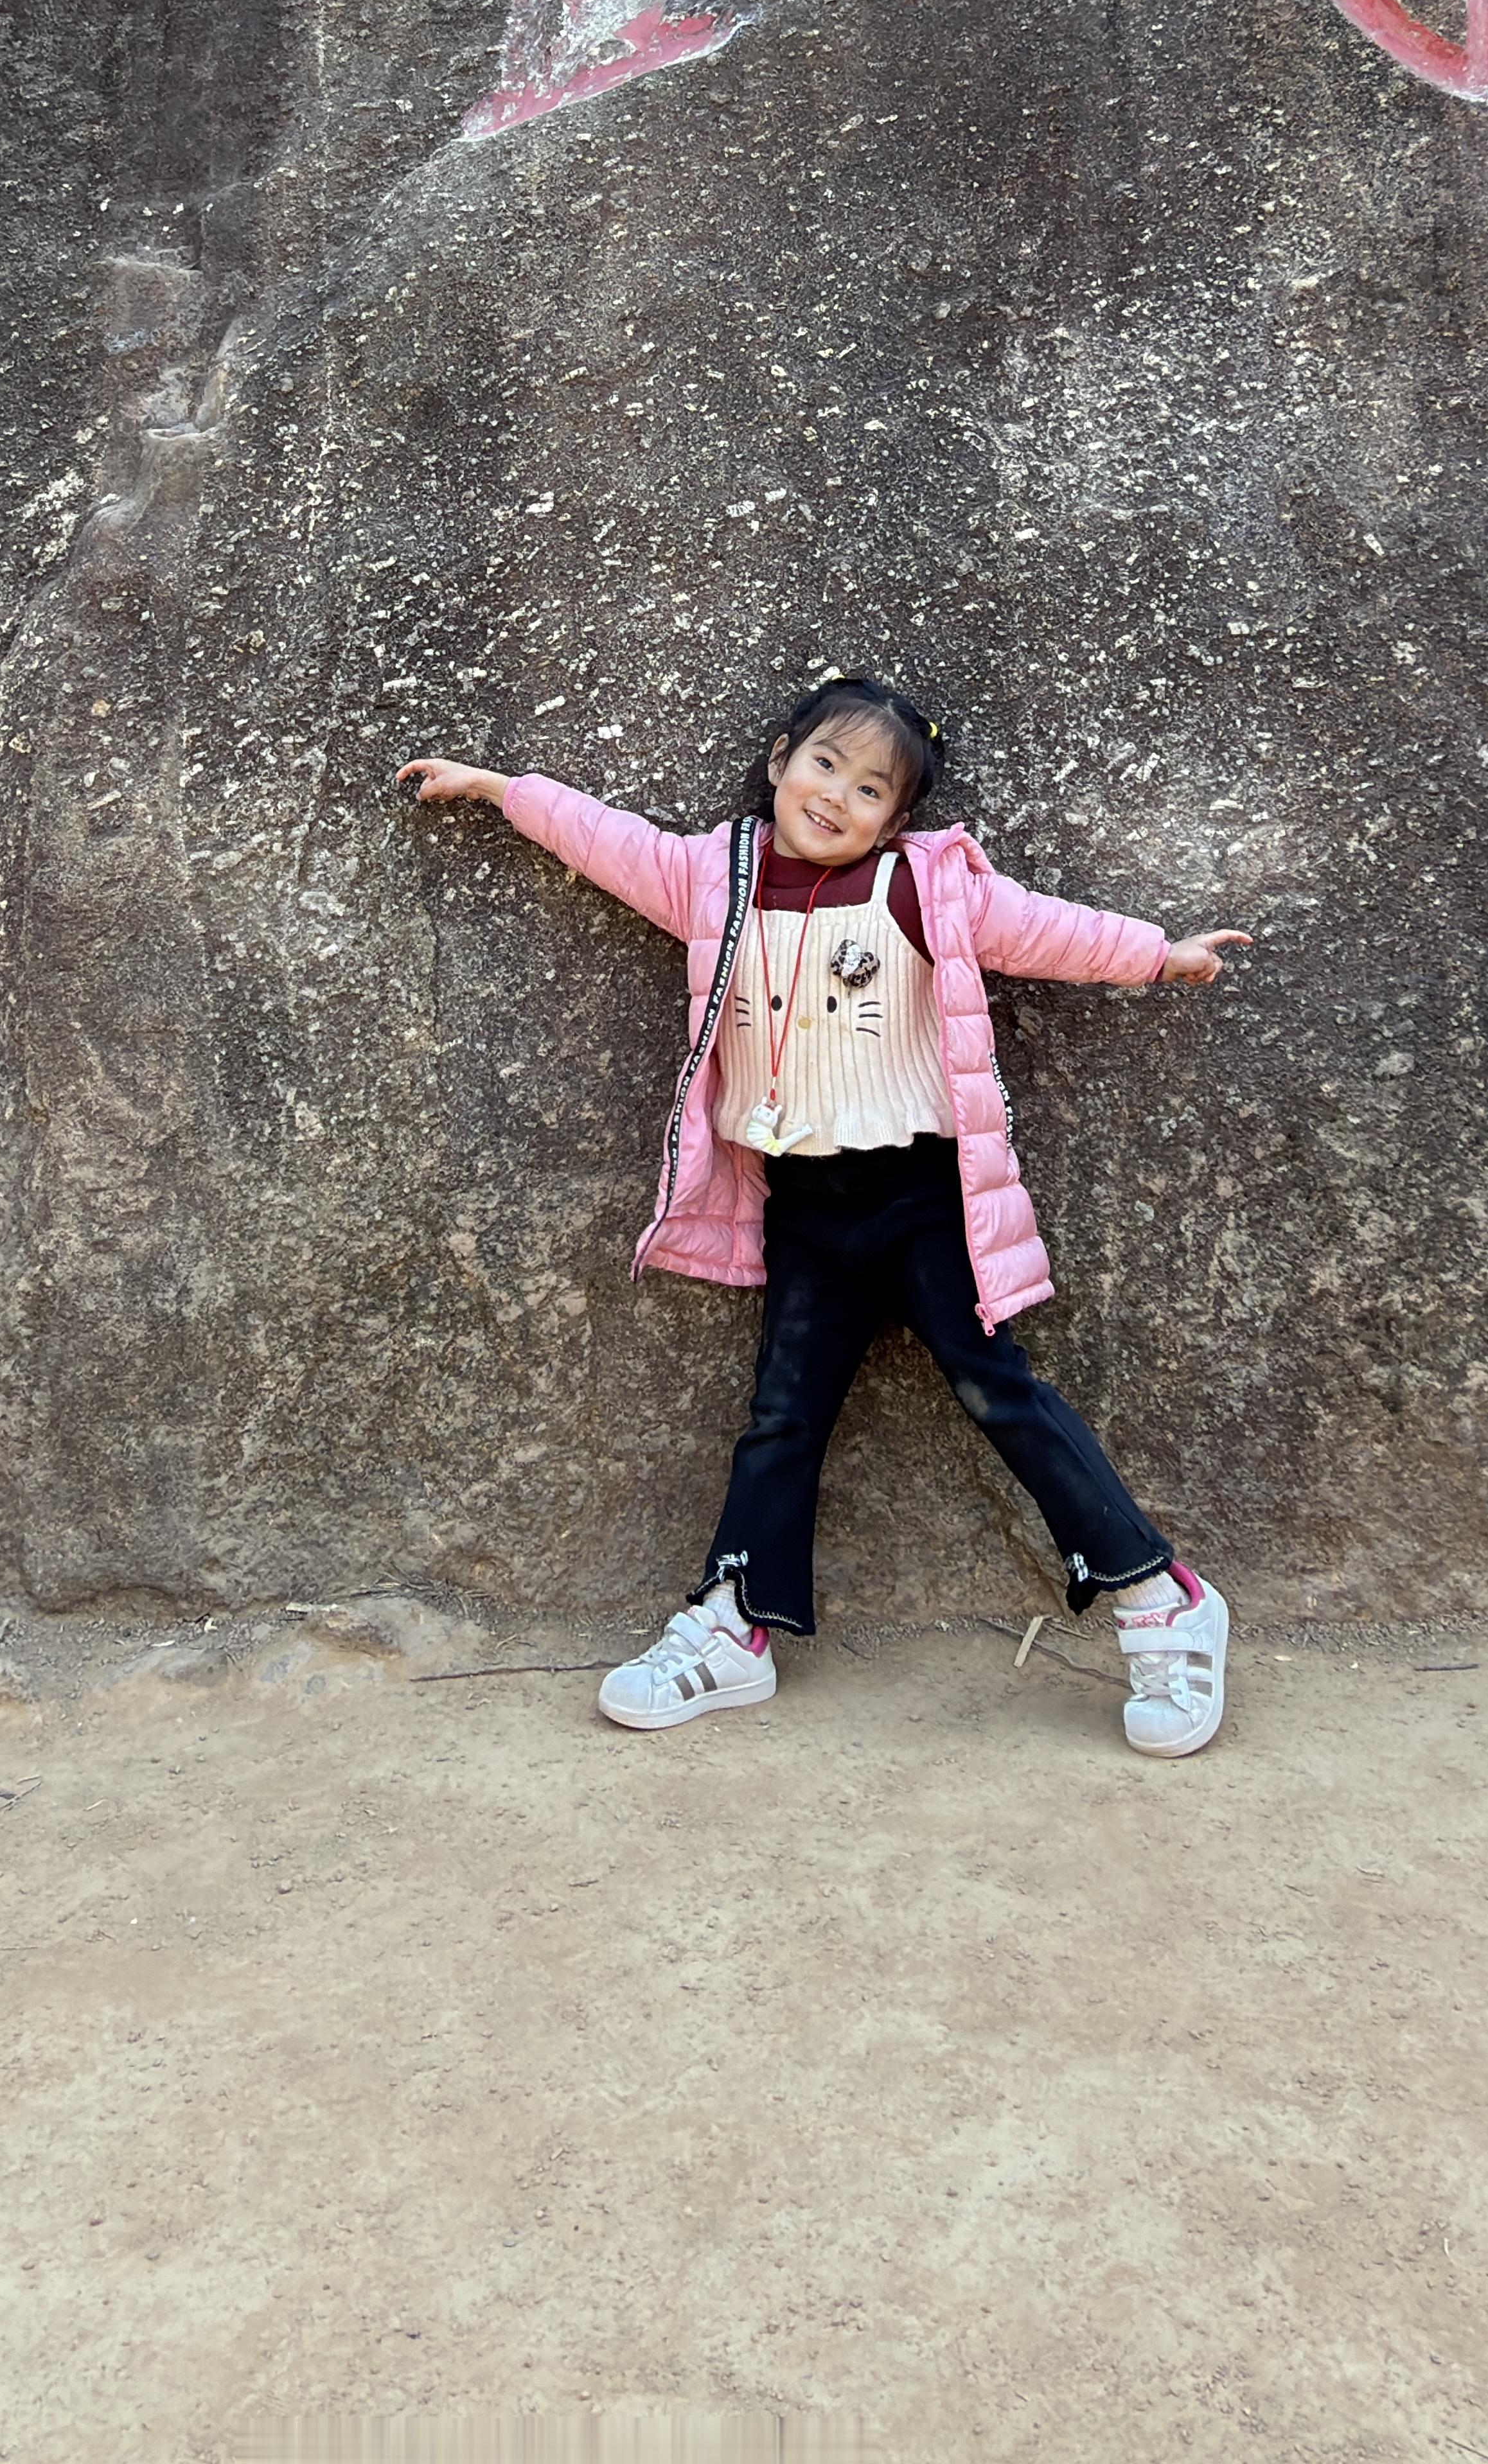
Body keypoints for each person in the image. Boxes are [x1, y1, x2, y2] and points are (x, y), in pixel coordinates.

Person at [397, 676, 1254, 1756]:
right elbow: (604, 838)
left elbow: (1044, 929)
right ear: (779, 759)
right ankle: (735, 1626)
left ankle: (1162, 1596)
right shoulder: (717, 878)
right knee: (782, 1416)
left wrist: (1157, 954)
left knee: (1002, 1391)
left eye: (870, 790)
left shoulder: (919, 890)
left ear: (898, 821)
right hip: (804, 1202)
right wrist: (499, 788)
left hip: (920, 1194)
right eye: (823, 766)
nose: (837, 797)